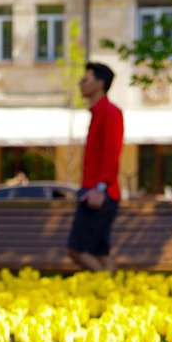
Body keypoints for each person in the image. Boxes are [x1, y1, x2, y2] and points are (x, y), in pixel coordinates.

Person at [67, 62, 124, 271]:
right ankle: (113, 293)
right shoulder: (98, 112)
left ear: (99, 83)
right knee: (100, 252)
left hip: (99, 193)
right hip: (95, 190)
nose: (80, 84)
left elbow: (112, 153)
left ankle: (108, 290)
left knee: (77, 250)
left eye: (85, 79)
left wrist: (100, 187)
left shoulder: (110, 112)